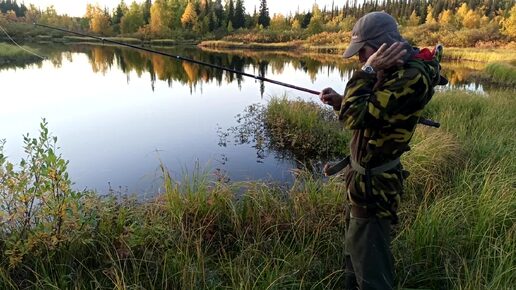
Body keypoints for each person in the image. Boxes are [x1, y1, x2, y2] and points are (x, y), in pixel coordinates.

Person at [319, 11, 446, 290]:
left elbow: (356, 117)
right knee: (356, 252)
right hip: (363, 182)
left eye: (362, 52)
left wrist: (366, 73)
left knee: (372, 271)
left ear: (380, 45)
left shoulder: (411, 77)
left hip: (374, 187)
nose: (360, 59)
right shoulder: (394, 71)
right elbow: (375, 113)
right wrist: (342, 101)